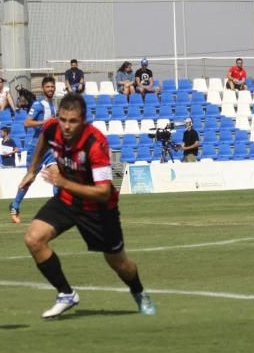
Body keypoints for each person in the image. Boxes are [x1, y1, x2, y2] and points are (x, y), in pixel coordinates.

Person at [18, 92, 156, 319]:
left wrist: (62, 181)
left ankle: (139, 292)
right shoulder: (53, 127)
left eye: (72, 121)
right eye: (63, 119)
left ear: (83, 121)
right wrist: (32, 171)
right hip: (67, 200)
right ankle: (66, 294)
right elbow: (44, 138)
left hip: (98, 210)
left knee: (118, 263)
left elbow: (103, 192)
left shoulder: (95, 144)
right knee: (33, 238)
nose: (66, 126)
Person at [10, 76, 57, 224]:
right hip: (36, 148)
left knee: (57, 176)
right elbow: (27, 122)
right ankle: (15, 206)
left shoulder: (52, 105)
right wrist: (45, 122)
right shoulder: (38, 105)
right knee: (29, 179)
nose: (51, 89)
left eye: (52, 86)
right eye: (48, 87)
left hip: (49, 148)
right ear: (43, 88)